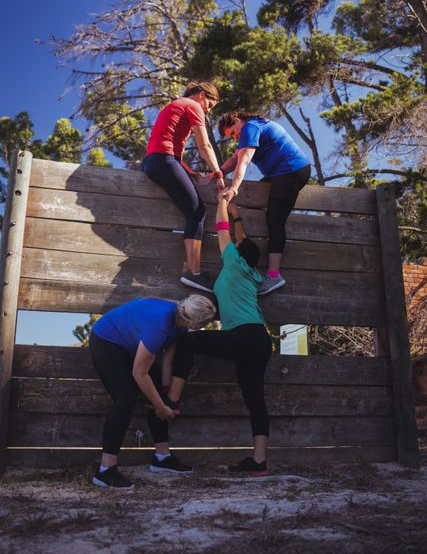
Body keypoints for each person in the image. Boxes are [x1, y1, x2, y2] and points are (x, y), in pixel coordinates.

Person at [167, 194, 273, 475]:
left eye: (236, 246)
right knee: (255, 400)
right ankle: (259, 461)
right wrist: (238, 215)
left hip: (244, 336)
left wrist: (223, 201)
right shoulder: (251, 272)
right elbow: (241, 237)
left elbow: (222, 230)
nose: (233, 245)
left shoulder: (234, 263)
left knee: (188, 340)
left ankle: (172, 401)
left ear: (238, 253)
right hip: (260, 340)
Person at [90, 294, 216, 489]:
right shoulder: (160, 325)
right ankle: (105, 470)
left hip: (132, 343)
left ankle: (162, 457)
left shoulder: (180, 318)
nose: (206, 326)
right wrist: (160, 408)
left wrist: (164, 396)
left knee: (157, 394)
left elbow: (167, 360)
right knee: (126, 398)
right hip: (107, 340)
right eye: (205, 323)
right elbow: (139, 373)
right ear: (194, 321)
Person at [213, 111, 311, 295]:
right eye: (231, 137)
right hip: (279, 173)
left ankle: (274, 275)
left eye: (233, 133)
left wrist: (234, 188)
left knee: (274, 219)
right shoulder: (252, 126)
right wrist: (217, 173)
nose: (235, 138)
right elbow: (235, 158)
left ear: (237, 121)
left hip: (291, 169)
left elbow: (244, 160)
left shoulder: (250, 127)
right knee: (252, 203)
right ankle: (246, 255)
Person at [142, 81, 225, 293]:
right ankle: (194, 273)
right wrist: (218, 173)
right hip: (164, 160)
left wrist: (189, 171)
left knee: (189, 209)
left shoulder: (175, 104)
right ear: (200, 95)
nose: (207, 110)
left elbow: (165, 142)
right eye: (209, 104)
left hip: (153, 161)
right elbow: (204, 145)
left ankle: (193, 271)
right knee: (197, 213)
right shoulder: (193, 106)